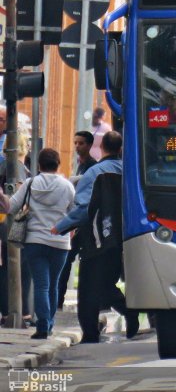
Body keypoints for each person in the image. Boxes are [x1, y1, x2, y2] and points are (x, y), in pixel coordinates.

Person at [52, 131, 139, 343]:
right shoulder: (131, 173)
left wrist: (61, 226)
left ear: (101, 148)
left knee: (89, 289)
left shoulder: (95, 173)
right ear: (120, 149)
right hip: (126, 239)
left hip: (97, 238)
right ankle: (130, 312)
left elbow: (84, 208)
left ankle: (91, 333)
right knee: (106, 284)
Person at [0, 148, 75, 339]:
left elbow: (11, 207)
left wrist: (2, 197)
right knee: (53, 284)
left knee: (41, 285)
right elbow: (74, 214)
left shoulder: (30, 183)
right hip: (60, 242)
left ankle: (43, 326)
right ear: (58, 164)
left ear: (39, 165)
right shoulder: (67, 186)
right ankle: (49, 324)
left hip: (35, 241)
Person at [57, 131, 98, 310]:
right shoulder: (80, 165)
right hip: (78, 219)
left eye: (81, 143)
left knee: (73, 260)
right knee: (66, 261)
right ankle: (59, 298)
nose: (77, 147)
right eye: (75, 143)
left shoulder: (92, 167)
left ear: (89, 145)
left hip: (85, 222)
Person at [0, 133, 34, 326]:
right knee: (22, 268)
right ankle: (22, 312)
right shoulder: (17, 167)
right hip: (15, 224)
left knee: (5, 269)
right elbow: (20, 197)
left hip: (3, 223)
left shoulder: (3, 165)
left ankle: (7, 311)